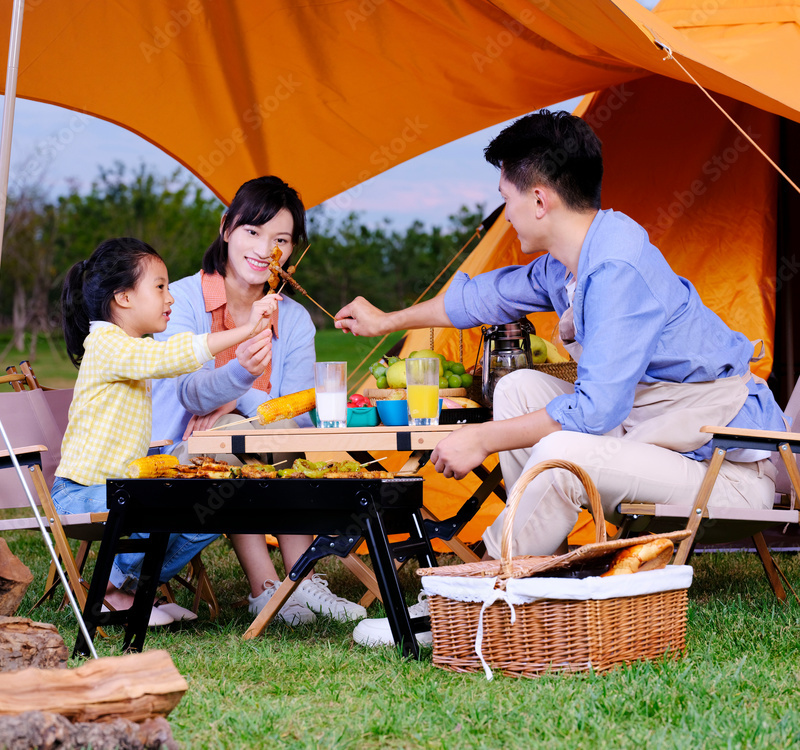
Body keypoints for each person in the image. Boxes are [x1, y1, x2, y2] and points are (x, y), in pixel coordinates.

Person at [335, 109, 786, 646]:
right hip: (654, 431)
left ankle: (460, 601)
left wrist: (480, 437)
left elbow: (595, 412)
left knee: (567, 455)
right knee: (519, 386)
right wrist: (388, 321)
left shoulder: (616, 268)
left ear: (541, 199)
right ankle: (529, 579)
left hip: (722, 465)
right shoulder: (569, 263)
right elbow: (483, 297)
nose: (507, 215)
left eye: (508, 199)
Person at [151, 175, 366, 625]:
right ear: (227, 228)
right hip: (174, 449)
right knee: (234, 438)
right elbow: (189, 392)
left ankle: (302, 579)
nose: (266, 249)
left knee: (269, 434)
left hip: (258, 443)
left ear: (290, 251)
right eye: (254, 231)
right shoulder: (184, 300)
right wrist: (246, 384)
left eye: (281, 239)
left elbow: (295, 418)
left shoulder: (294, 318)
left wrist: (236, 398)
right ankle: (266, 588)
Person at [53, 236, 280, 625]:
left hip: (124, 485)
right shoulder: (107, 344)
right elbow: (170, 357)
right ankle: (110, 590)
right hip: (80, 496)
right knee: (152, 502)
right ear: (123, 297)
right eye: (159, 287)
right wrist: (246, 330)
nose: (170, 297)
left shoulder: (130, 345)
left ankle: (130, 592)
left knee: (216, 502)